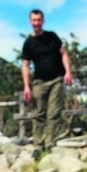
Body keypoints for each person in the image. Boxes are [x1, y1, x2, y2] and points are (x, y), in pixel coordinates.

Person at [21, 9, 73, 152]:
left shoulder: (52, 36)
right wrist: (26, 86)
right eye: (34, 20)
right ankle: (38, 145)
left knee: (54, 113)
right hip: (39, 82)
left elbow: (63, 53)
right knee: (39, 114)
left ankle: (50, 143)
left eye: (39, 20)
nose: (36, 23)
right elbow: (25, 65)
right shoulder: (28, 43)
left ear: (43, 21)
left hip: (57, 79)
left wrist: (68, 72)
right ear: (30, 22)